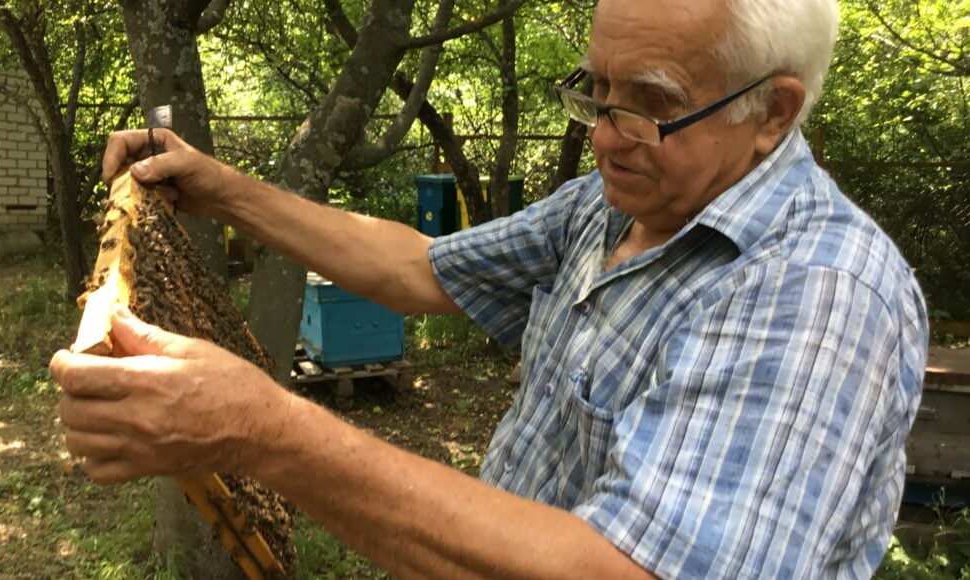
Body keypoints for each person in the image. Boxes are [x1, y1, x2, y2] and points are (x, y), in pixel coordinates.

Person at [50, 0, 929, 576]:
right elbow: (413, 269)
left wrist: (263, 429)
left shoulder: (818, 294)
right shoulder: (610, 202)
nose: (603, 135)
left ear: (772, 111)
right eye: (595, 89)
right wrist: (225, 190)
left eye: (648, 100)